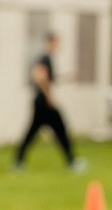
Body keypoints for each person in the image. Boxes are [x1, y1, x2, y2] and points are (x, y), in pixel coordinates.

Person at [14, 34, 77, 170]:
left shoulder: (46, 59)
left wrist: (67, 77)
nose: (59, 46)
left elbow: (49, 78)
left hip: (41, 101)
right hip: (43, 102)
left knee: (34, 132)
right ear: (51, 43)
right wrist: (49, 98)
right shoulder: (45, 58)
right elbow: (41, 78)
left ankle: (19, 162)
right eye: (57, 43)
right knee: (60, 130)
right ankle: (72, 162)